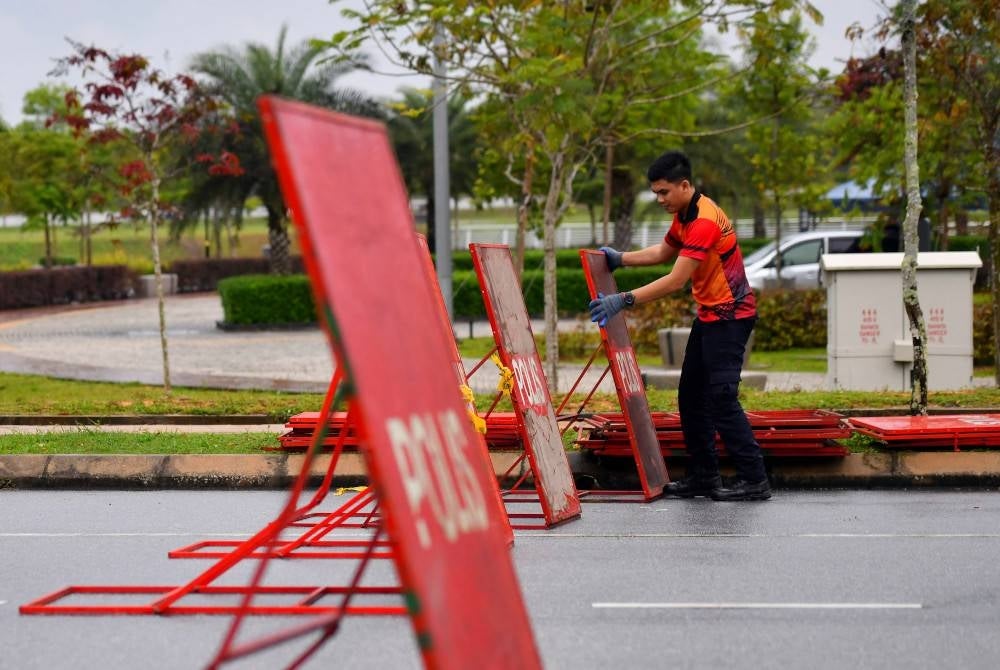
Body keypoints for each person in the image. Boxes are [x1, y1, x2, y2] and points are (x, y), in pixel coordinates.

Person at [588, 150, 770, 501]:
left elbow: (674, 280)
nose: (659, 199)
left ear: (684, 185)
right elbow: (662, 252)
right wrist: (620, 259)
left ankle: (755, 479)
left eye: (664, 192)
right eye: (655, 193)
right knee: (690, 397)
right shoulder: (685, 214)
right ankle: (704, 476)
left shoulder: (703, 221)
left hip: (731, 318)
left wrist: (622, 300)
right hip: (710, 316)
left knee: (721, 398)